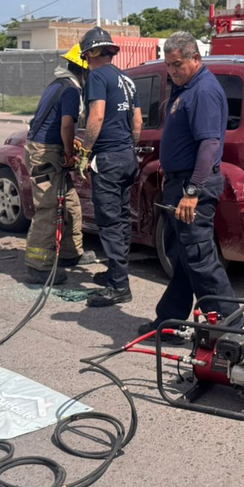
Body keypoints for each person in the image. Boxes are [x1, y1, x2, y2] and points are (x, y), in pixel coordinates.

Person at [105, 33, 240, 338]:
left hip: (192, 187)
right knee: (182, 258)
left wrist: (192, 192)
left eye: (177, 64)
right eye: (168, 65)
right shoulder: (185, 89)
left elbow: (209, 144)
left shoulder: (203, 91)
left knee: (200, 260)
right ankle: (171, 322)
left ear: (196, 58)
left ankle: (232, 331)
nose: (172, 70)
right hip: (178, 185)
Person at [77, 27, 142, 305]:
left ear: (91, 53)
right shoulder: (127, 80)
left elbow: (97, 115)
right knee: (123, 219)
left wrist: (85, 152)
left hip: (108, 159)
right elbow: (137, 122)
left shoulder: (97, 77)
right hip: (127, 157)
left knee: (109, 222)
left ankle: (119, 286)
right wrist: (128, 148)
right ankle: (116, 272)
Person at [22, 45, 97, 284]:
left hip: (47, 149)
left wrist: (67, 146)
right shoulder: (72, 91)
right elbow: (66, 125)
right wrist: (68, 153)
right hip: (45, 154)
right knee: (49, 207)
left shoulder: (58, 85)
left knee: (70, 203)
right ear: (84, 70)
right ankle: (37, 267)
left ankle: (69, 253)